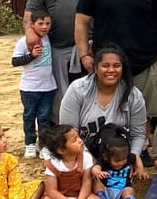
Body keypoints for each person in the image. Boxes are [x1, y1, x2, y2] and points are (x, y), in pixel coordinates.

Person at [22, 0, 97, 120]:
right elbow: (29, 13)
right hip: (56, 47)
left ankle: (86, 131)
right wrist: (29, 33)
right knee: (58, 95)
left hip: (88, 48)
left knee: (88, 92)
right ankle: (59, 131)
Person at [59, 44, 149, 177]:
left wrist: (132, 158)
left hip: (119, 157)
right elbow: (68, 132)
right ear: (95, 68)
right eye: (105, 66)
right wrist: (89, 161)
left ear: (123, 69)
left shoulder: (133, 95)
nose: (111, 70)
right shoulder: (78, 89)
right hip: (82, 152)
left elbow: (138, 134)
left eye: (116, 66)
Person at [35, 124, 103, 199]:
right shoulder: (53, 164)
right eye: (74, 140)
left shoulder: (85, 157)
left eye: (78, 137)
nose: (80, 141)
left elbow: (87, 182)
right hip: (60, 197)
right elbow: (51, 191)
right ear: (62, 150)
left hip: (81, 194)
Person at [12, 9, 56, 158]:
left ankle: (44, 146)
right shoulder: (23, 41)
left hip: (49, 87)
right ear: (32, 24)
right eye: (41, 23)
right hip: (29, 88)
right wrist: (31, 56)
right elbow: (15, 61)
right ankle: (30, 143)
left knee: (44, 118)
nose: (45, 27)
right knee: (29, 116)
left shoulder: (49, 38)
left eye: (48, 23)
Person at [91, 134, 140, 199]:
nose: (121, 163)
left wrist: (140, 169)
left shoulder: (127, 157)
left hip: (121, 191)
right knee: (96, 182)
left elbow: (136, 157)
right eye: (117, 161)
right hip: (106, 190)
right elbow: (95, 168)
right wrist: (98, 172)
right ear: (106, 157)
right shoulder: (103, 161)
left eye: (124, 159)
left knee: (130, 190)